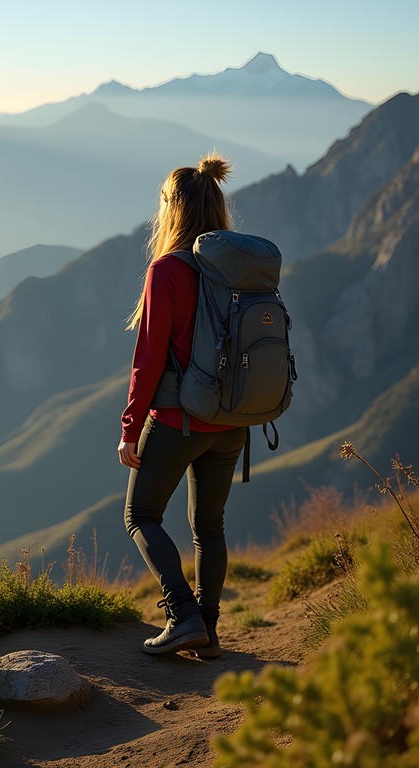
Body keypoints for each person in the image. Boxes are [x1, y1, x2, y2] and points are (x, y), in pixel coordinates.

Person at [118, 152, 248, 658]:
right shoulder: (239, 267)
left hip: (177, 420)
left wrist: (131, 426)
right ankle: (208, 631)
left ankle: (182, 615)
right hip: (234, 421)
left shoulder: (167, 269)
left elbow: (147, 360)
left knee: (141, 513)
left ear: (172, 209)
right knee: (209, 526)